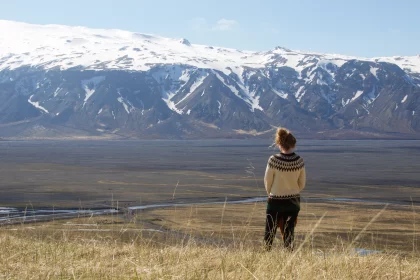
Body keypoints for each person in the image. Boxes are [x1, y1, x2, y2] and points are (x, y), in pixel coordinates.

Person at [263, 128, 306, 251]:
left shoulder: (273, 160)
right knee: (289, 233)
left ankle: (265, 256)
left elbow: (267, 181)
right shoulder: (299, 161)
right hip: (293, 201)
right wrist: (292, 190)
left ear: (279, 143)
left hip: (275, 200)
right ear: (293, 144)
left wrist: (272, 193)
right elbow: (302, 184)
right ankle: (289, 257)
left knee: (269, 232)